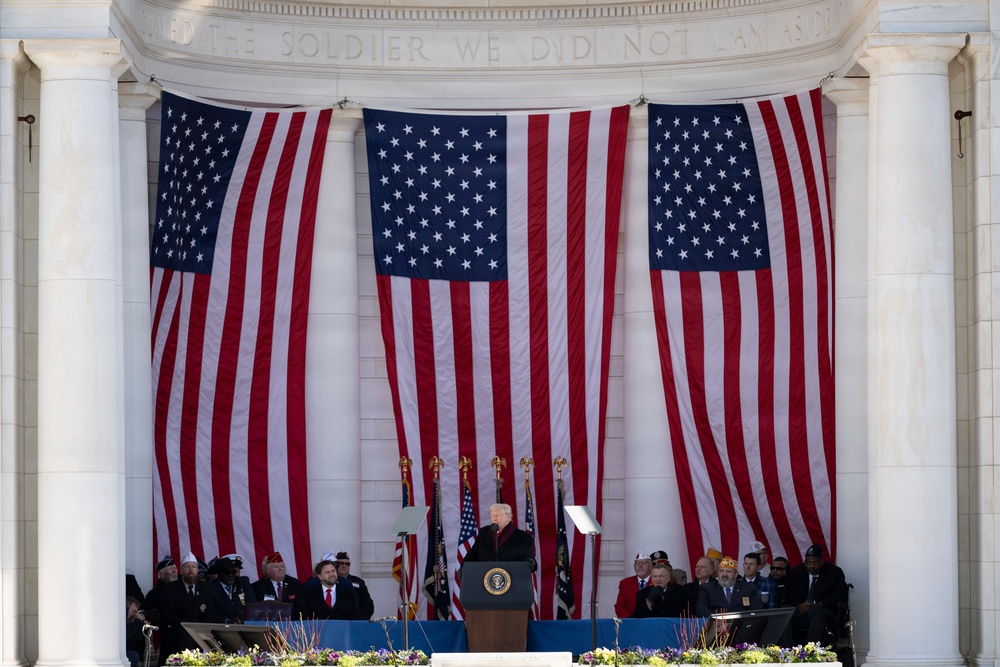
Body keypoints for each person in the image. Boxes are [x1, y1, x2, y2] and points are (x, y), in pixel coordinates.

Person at [158, 553, 217, 665]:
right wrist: (188, 627)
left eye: (193, 567)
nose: (190, 570)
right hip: (178, 630)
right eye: (187, 567)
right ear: (181, 570)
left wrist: (202, 627)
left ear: (197, 569)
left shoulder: (205, 588)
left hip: (201, 630)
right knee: (187, 638)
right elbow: (168, 614)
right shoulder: (170, 588)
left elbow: (211, 612)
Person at [785, 544, 849, 642]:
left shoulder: (834, 572)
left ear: (822, 562)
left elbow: (840, 594)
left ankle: (811, 649)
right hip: (801, 608)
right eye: (809, 563)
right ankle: (787, 649)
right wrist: (798, 605)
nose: (812, 566)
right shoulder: (796, 572)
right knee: (785, 612)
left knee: (817, 610)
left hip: (824, 609)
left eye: (816, 563)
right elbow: (789, 593)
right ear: (804, 562)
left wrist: (819, 604)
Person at [462, 503, 537, 570]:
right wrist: (463, 567)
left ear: (508, 517)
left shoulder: (523, 537)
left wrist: (530, 562)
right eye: (492, 516)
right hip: (485, 578)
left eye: (497, 515)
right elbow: (473, 553)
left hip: (511, 579)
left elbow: (527, 558)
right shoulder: (484, 533)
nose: (494, 518)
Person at [294, 559, 362, 620]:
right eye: (327, 572)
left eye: (333, 571)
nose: (332, 574)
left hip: (342, 631)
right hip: (319, 632)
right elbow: (304, 619)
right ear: (320, 576)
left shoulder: (348, 594)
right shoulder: (309, 595)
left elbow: (355, 618)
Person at [696, 556, 761, 617]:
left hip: (741, 626)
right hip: (716, 626)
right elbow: (701, 610)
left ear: (736, 574)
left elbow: (754, 610)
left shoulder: (748, 589)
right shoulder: (707, 588)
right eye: (721, 571)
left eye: (728, 571)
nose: (724, 574)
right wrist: (718, 621)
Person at [207, 556, 257, 623]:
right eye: (227, 573)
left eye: (233, 572)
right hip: (223, 627)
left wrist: (241, 620)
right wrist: (227, 621)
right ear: (219, 574)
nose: (231, 575)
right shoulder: (211, 588)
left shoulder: (242, 582)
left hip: (244, 625)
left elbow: (252, 605)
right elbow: (210, 613)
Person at [334, 551, 374, 620]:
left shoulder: (358, 582)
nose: (344, 566)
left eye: (347, 564)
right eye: (341, 563)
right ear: (336, 565)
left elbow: (368, 604)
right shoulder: (331, 581)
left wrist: (361, 619)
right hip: (338, 621)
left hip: (355, 622)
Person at [614, 551, 652, 618]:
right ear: (634, 567)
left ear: (651, 566)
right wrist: (629, 620)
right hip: (631, 623)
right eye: (637, 563)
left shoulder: (657, 581)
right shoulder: (625, 583)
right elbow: (619, 607)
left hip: (651, 623)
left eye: (644, 562)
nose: (640, 565)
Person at [125, 596, 147, 667]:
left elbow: (133, 643)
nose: (135, 615)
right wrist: (137, 622)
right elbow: (126, 636)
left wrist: (142, 627)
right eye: (134, 611)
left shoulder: (131, 622)